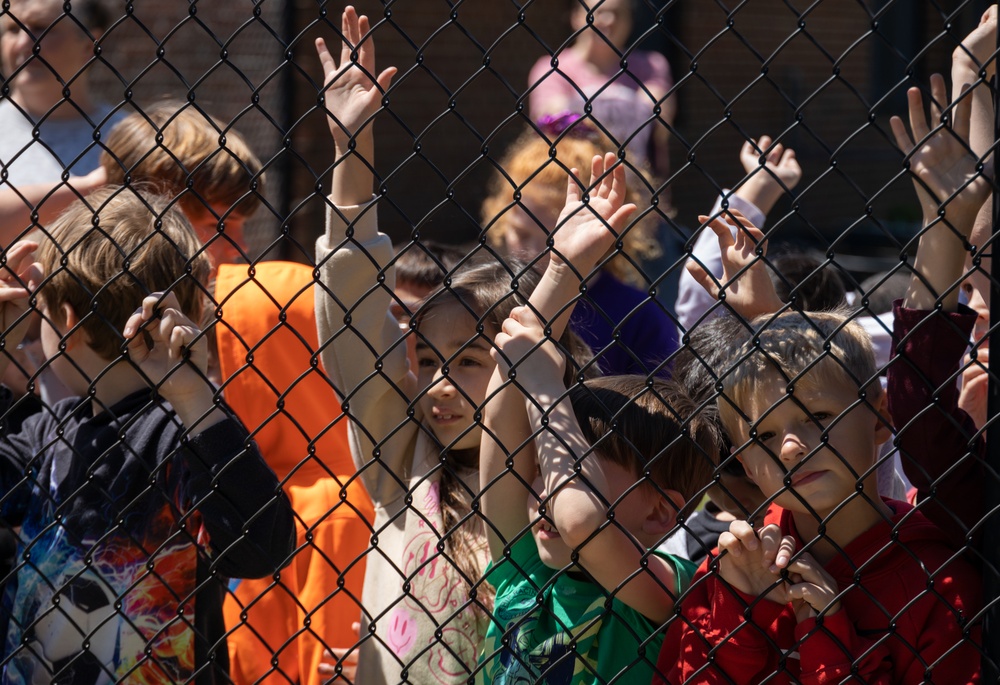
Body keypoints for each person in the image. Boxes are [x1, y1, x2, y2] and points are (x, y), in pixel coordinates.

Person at [653, 72, 986, 679]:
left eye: (822, 420)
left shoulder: (938, 576)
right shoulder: (728, 573)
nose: (789, 444)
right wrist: (744, 609)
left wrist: (829, 636)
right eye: (760, 436)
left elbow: (915, 373)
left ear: (882, 418)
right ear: (741, 459)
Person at [312, 10, 594, 683]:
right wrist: (353, 151)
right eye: (429, 359)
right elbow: (351, 315)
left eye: (468, 360)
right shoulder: (401, 455)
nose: (438, 382)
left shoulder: (560, 475)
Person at [0, 187, 295, 684]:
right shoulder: (48, 431)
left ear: (65, 320)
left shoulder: (181, 433)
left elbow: (260, 547)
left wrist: (197, 401)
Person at [477, 148, 715, 683]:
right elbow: (502, 407)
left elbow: (585, 523)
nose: (545, 489)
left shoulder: (664, 589)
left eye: (579, 464)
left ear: (660, 513)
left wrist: (545, 389)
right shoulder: (526, 571)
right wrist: (563, 269)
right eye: (544, 465)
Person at [481, 120, 676, 376]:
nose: (535, 252)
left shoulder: (639, 316)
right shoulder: (486, 300)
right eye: (521, 233)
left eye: (553, 238)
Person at [0, 0, 123, 243]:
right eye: (13, 29)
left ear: (89, 45)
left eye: (42, 28)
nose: (24, 43)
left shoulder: (127, 135)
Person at [527, 0, 675, 176]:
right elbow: (553, 127)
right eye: (598, 12)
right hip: (573, 185)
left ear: (630, 21)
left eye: (618, 13)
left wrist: (579, 116)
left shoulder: (651, 66)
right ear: (576, 17)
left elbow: (660, 126)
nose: (609, 20)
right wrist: (632, 110)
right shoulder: (551, 69)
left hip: (640, 187)